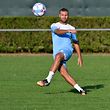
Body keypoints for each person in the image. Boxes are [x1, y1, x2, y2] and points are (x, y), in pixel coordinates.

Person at [37, 8, 86, 95]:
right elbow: (58, 32)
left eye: (66, 15)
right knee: (64, 73)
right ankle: (80, 90)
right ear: (59, 15)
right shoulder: (54, 25)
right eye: (62, 15)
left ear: (68, 16)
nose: (64, 16)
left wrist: (79, 56)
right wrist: (68, 31)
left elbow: (75, 43)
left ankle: (47, 80)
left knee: (59, 56)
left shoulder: (71, 28)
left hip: (67, 51)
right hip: (56, 54)